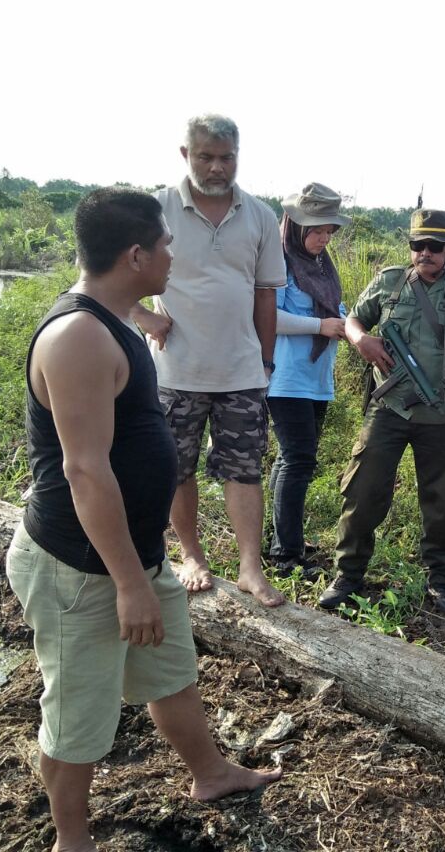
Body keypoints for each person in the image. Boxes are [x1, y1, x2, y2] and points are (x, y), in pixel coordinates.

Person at [6, 188, 281, 852]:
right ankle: (71, 840)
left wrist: (142, 567)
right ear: (135, 255)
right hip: (83, 570)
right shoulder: (77, 336)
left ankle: (211, 773)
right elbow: (84, 472)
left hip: (131, 556)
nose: (171, 252)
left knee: (169, 670)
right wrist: (128, 583)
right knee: (77, 715)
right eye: (164, 244)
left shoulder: (118, 321)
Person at [130, 114, 286, 607]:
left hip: (241, 372)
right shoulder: (156, 210)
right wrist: (141, 316)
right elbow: (100, 270)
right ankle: (192, 555)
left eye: (227, 158)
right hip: (177, 371)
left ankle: (249, 568)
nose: (217, 167)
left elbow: (265, 294)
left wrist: (265, 362)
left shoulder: (259, 215)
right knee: (177, 468)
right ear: (185, 155)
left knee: (245, 470)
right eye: (206, 157)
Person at [319, 209, 445, 619]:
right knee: (363, 492)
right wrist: (361, 339)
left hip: (442, 414)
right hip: (389, 409)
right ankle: (348, 575)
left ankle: (439, 579)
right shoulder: (390, 283)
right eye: (418, 245)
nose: (425, 253)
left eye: (435, 246)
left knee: (440, 501)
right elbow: (355, 318)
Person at [266, 183, 350, 579]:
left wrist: (352, 326)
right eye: (316, 230)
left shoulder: (321, 266)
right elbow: (269, 319)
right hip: (285, 378)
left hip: (316, 378)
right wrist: (321, 324)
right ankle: (286, 557)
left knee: (291, 460)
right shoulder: (279, 263)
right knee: (298, 460)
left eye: (329, 231)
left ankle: (281, 541)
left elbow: (337, 310)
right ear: (296, 226)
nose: (323, 238)